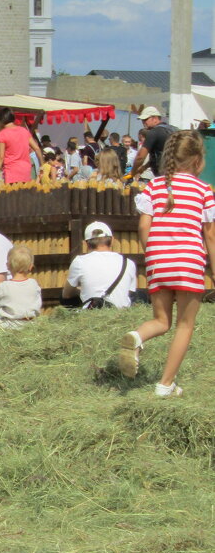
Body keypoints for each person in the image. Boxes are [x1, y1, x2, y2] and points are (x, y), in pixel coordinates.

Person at [117, 130, 215, 396]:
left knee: (161, 320)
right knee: (185, 325)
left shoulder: (155, 186)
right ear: (197, 160)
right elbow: (210, 235)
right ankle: (165, 384)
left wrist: (152, 254)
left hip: (159, 260)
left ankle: (137, 336)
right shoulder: (203, 190)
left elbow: (143, 225)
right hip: (189, 261)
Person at [63, 221, 137, 309]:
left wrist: (82, 291)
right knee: (141, 295)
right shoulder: (128, 262)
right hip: (121, 313)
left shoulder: (79, 261)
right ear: (112, 240)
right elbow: (129, 292)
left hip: (92, 311)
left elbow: (66, 294)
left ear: (85, 244)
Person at [0, 244, 42, 328]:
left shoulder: (4, 287)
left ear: (8, 266)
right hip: (31, 326)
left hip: (9, 326)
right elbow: (38, 304)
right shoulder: (34, 284)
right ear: (31, 267)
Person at [0, 108, 41, 184]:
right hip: (26, 170)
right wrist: (42, 164)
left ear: (1, 120)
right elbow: (37, 148)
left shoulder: (2, 134)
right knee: (24, 193)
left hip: (12, 171)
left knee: (13, 194)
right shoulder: (24, 131)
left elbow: (0, 156)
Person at [130, 107, 176, 182]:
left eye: (145, 119)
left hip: (163, 175)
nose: (143, 122)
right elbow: (158, 154)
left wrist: (133, 171)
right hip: (176, 172)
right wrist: (144, 167)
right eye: (142, 120)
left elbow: (140, 157)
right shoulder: (171, 130)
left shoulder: (153, 133)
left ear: (155, 118)